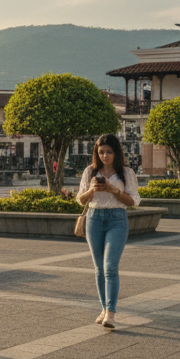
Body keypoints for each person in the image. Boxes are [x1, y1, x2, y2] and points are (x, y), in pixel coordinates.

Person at [75, 134, 140, 330]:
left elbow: (133, 201)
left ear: (116, 152)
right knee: (99, 268)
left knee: (110, 266)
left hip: (117, 220)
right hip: (94, 219)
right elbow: (81, 199)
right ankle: (103, 308)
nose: (105, 156)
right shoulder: (90, 172)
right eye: (101, 152)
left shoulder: (126, 173)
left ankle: (110, 313)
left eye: (109, 152)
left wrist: (113, 190)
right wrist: (92, 190)